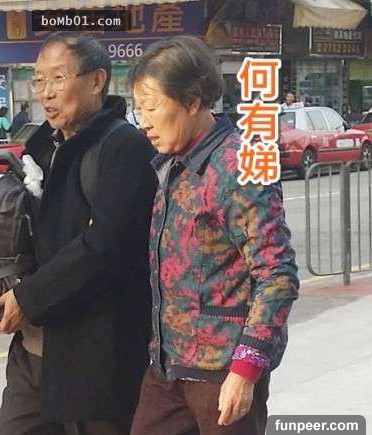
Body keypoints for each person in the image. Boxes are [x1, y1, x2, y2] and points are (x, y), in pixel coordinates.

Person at [0, 33, 157, 434]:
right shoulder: (43, 142)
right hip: (36, 353)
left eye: (58, 78)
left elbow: (105, 246)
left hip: (98, 359)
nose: (46, 93)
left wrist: (28, 298)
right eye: (39, 80)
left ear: (96, 80)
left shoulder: (125, 149)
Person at [128, 36, 299, 435]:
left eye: (151, 107)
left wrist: (246, 369)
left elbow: (277, 275)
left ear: (192, 101)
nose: (144, 121)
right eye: (139, 109)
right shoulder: (172, 164)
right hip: (167, 367)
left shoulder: (239, 166)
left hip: (222, 372)